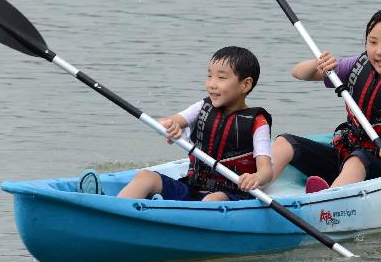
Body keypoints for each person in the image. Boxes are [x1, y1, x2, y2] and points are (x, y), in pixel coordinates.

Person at [270, 9, 381, 192]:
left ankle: (325, 203)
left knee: (358, 160)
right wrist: (317, 64)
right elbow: (298, 73)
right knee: (285, 142)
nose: (380, 51)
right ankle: (252, 185)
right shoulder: (356, 67)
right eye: (373, 42)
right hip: (347, 152)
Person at [108, 46, 273, 201]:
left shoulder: (258, 122)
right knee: (146, 176)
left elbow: (266, 170)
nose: (211, 84)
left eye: (221, 77)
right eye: (209, 76)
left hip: (231, 194)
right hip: (193, 187)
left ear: (245, 84)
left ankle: (168, 212)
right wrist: (169, 126)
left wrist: (256, 177)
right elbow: (165, 122)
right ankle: (112, 210)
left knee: (212, 199)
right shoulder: (203, 107)